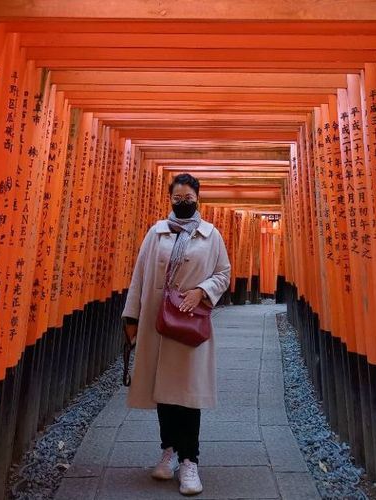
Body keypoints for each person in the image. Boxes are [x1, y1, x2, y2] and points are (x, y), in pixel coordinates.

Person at [121, 173, 231, 496]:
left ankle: (189, 461)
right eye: (177, 199)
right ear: (170, 200)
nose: (183, 204)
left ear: (198, 198)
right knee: (164, 394)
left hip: (190, 324)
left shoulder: (211, 236)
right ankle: (167, 451)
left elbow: (224, 273)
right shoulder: (156, 233)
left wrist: (202, 291)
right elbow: (139, 276)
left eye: (188, 199)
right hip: (159, 323)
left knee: (188, 395)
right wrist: (130, 317)